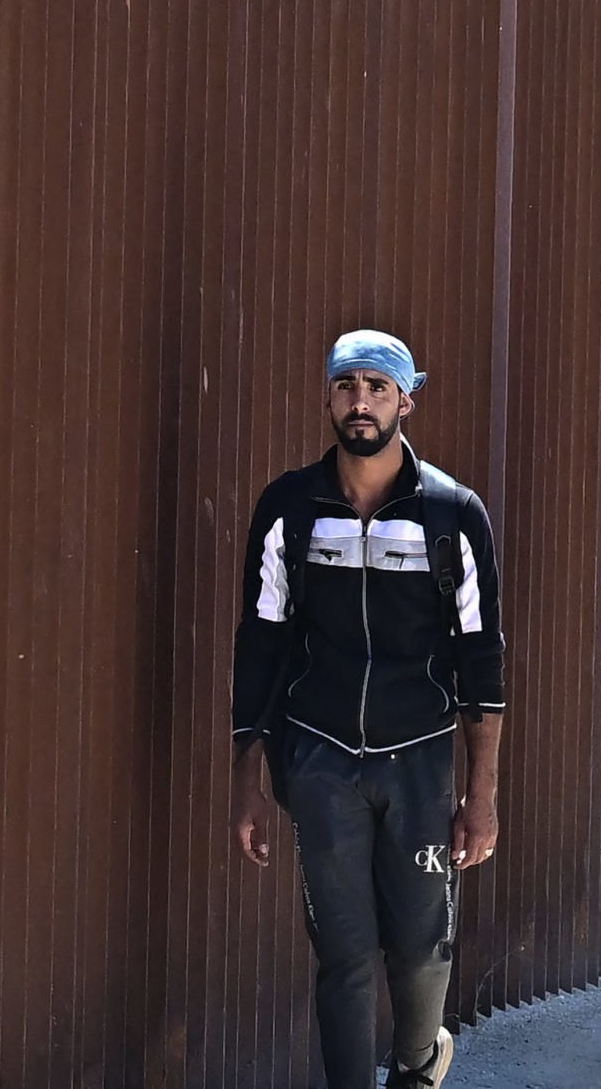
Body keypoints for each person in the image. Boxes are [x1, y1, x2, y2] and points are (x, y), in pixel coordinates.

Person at [228, 330, 506, 1089]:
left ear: (404, 400)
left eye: (376, 388)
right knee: (344, 952)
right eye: (347, 387)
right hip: (315, 757)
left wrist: (480, 794)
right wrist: (247, 776)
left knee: (419, 945)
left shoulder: (453, 511)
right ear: (326, 398)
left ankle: (417, 1065)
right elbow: (260, 640)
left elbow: (482, 659)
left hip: (418, 756)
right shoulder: (290, 506)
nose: (361, 403)